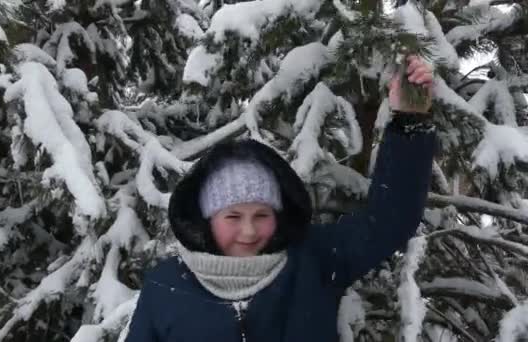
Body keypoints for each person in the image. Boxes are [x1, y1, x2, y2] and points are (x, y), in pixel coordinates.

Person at [125, 56, 436, 341]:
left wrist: (410, 121)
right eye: (233, 216)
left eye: (262, 215)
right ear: (207, 218)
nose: (248, 231)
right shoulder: (166, 286)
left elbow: (390, 219)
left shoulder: (315, 260)